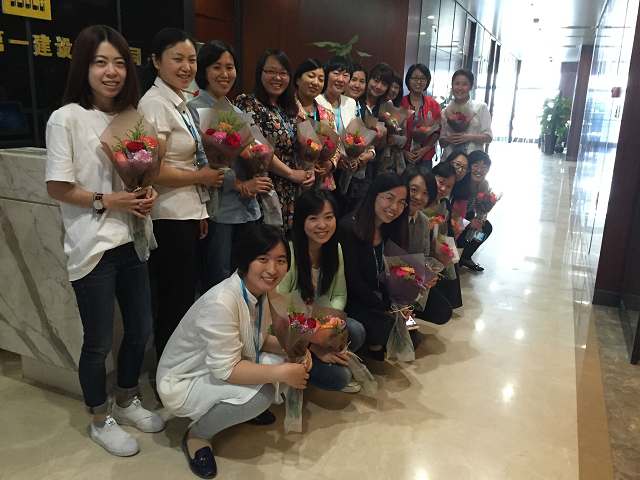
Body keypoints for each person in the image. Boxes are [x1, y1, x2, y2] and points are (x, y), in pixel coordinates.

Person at [45, 25, 164, 457]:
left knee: (140, 330)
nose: (111, 72)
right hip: (93, 246)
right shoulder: (66, 118)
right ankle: (99, 418)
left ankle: (127, 399)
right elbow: (57, 186)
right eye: (100, 62)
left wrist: (146, 192)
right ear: (84, 67)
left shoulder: (133, 115)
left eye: (118, 63)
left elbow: (141, 174)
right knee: (97, 342)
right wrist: (106, 201)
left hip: (133, 239)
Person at [157, 224, 310, 479]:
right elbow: (228, 369)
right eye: (263, 259)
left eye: (281, 260)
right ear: (246, 259)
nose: (273, 269)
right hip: (184, 379)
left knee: (283, 361)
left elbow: (257, 340)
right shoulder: (223, 302)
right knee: (261, 395)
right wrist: (284, 372)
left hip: (217, 364)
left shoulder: (262, 292)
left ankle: (235, 412)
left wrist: (294, 350)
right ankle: (197, 435)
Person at [138, 28, 224, 360]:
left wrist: (199, 211)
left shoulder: (179, 101)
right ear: (156, 61)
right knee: (174, 298)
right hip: (168, 216)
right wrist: (201, 177)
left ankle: (178, 362)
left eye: (191, 59)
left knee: (185, 295)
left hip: (186, 212)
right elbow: (153, 170)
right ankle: (168, 368)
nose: (187, 67)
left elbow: (184, 159)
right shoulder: (154, 103)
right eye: (177, 59)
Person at [187, 40, 270, 292]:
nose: (224, 74)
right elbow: (200, 161)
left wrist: (259, 164)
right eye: (216, 67)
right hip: (218, 209)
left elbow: (252, 151)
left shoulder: (234, 110)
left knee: (244, 273)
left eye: (230, 67)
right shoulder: (193, 110)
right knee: (218, 279)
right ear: (203, 71)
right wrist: (240, 184)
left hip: (246, 207)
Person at [278, 189, 366, 393]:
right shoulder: (289, 253)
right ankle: (300, 366)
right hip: (288, 331)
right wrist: (313, 345)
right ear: (301, 220)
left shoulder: (334, 249)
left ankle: (321, 360)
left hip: (319, 322)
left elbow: (339, 295)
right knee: (340, 379)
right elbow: (280, 309)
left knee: (356, 331)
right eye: (313, 218)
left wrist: (326, 326)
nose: (322, 225)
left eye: (328, 217)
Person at [235, 49, 315, 233]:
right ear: (260, 73)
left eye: (283, 73)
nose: (277, 78)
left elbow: (304, 144)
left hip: (292, 188)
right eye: (271, 71)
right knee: (267, 240)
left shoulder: (290, 108)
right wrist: (291, 173)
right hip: (266, 185)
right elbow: (257, 150)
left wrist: (309, 169)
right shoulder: (248, 103)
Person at [338, 173, 413, 360]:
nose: (394, 207)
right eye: (389, 198)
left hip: (378, 297)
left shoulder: (391, 228)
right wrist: (383, 308)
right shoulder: (348, 227)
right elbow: (353, 280)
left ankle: (378, 336)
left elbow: (395, 272)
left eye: (401, 203)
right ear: (374, 194)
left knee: (411, 334)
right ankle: (370, 340)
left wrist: (399, 305)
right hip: (353, 300)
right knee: (387, 330)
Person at [315, 56, 375, 216]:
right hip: (322, 168)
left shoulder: (350, 103)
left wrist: (355, 156)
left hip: (345, 169)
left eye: (346, 75)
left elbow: (355, 134)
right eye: (336, 73)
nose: (341, 79)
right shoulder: (316, 100)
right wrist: (335, 157)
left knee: (340, 212)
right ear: (327, 74)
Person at [401, 166, 453, 326]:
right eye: (414, 190)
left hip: (411, 280)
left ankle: (407, 314)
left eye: (425, 193)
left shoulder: (423, 220)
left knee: (443, 311)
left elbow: (423, 257)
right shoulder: (392, 216)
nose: (418, 197)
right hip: (391, 279)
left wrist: (428, 274)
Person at [293, 58, 337, 190]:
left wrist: (329, 164)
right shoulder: (287, 110)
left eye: (321, 79)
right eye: (311, 76)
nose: (315, 82)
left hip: (322, 181)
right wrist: (307, 165)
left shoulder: (327, 114)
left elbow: (336, 145)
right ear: (298, 79)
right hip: (294, 178)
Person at [429, 162, 463, 309]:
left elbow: (448, 232)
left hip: (437, 249)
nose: (443, 189)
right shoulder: (419, 201)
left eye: (449, 186)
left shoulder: (445, 204)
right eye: (440, 182)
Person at [439, 68, 493, 158]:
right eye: (457, 84)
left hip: (473, 159)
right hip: (449, 159)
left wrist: (469, 137)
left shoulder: (480, 107)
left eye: (464, 84)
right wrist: (448, 139)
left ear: (471, 87)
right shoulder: (445, 111)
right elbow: (442, 142)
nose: (460, 88)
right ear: (452, 85)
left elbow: (488, 137)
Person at [456, 150, 494, 271]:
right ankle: (455, 257)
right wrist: (467, 224)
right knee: (461, 233)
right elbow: (448, 214)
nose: (479, 170)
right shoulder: (460, 184)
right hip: (454, 218)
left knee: (486, 228)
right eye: (475, 165)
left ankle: (466, 256)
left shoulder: (483, 185)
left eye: (484, 167)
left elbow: (481, 208)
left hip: (468, 216)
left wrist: (479, 222)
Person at [400, 64, 441, 169]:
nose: (419, 82)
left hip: (425, 157)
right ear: (408, 80)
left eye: (423, 78)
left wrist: (425, 149)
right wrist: (403, 152)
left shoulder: (433, 104)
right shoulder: (400, 103)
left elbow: (436, 132)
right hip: (402, 157)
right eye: (415, 78)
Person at [377, 73, 408, 176]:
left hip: (395, 159)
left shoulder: (400, 111)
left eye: (397, 87)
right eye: (391, 86)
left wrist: (395, 139)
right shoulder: (375, 107)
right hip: (376, 157)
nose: (393, 90)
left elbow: (405, 138)